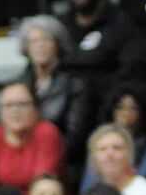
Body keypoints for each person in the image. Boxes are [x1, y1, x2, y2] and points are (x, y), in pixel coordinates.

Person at [81, 80, 146, 195]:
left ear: (145, 113)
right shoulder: (101, 146)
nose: (125, 115)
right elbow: (87, 194)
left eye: (133, 109)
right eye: (119, 108)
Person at [14, 15, 91, 167]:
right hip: (20, 159)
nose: (40, 45)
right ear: (26, 48)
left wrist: (42, 156)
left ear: (57, 44)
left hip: (60, 162)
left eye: (46, 40)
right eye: (34, 41)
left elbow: (75, 138)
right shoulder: (17, 85)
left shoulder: (75, 85)